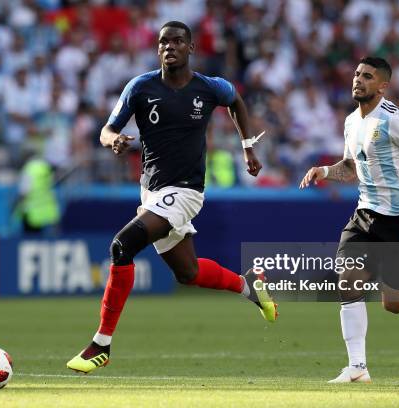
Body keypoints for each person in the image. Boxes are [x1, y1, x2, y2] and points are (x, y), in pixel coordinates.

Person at [67, 21, 277, 374]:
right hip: (152, 191)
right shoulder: (140, 87)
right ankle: (248, 286)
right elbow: (108, 129)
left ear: (191, 47)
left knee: (122, 245)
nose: (170, 47)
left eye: (178, 41)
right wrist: (112, 141)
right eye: (164, 41)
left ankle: (101, 345)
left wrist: (247, 146)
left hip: (186, 191)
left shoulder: (208, 88)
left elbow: (236, 101)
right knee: (188, 272)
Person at [299, 57, 399, 383]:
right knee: (347, 281)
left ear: (382, 85)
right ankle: (357, 368)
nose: (358, 80)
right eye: (356, 74)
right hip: (364, 216)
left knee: (394, 305)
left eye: (367, 76)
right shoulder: (351, 121)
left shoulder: (395, 119)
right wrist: (323, 171)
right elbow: (351, 167)